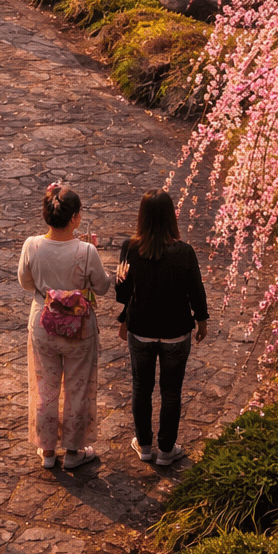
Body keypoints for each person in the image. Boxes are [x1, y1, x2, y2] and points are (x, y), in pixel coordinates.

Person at [18, 184, 111, 472]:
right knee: (77, 387)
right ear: (75, 218)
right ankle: (73, 451)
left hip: (43, 323)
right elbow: (103, 287)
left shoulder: (32, 244)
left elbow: (25, 282)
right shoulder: (86, 250)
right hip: (79, 327)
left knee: (45, 387)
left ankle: (47, 450)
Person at [115, 191, 209, 467]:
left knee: (141, 388)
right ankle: (167, 449)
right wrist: (201, 321)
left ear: (142, 217)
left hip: (141, 329)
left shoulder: (130, 248)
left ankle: (144, 445)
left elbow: (122, 294)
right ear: (171, 216)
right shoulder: (185, 252)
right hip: (176, 331)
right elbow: (196, 290)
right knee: (171, 391)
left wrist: (121, 282)